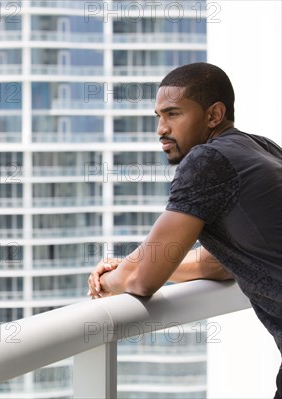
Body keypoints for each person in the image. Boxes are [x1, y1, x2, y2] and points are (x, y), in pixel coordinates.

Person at [87, 62, 282, 398]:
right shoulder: (260, 149)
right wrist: (129, 266)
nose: (161, 129)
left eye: (173, 114)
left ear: (213, 115)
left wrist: (109, 280)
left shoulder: (206, 160)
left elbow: (142, 281)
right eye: (158, 116)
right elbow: (219, 263)